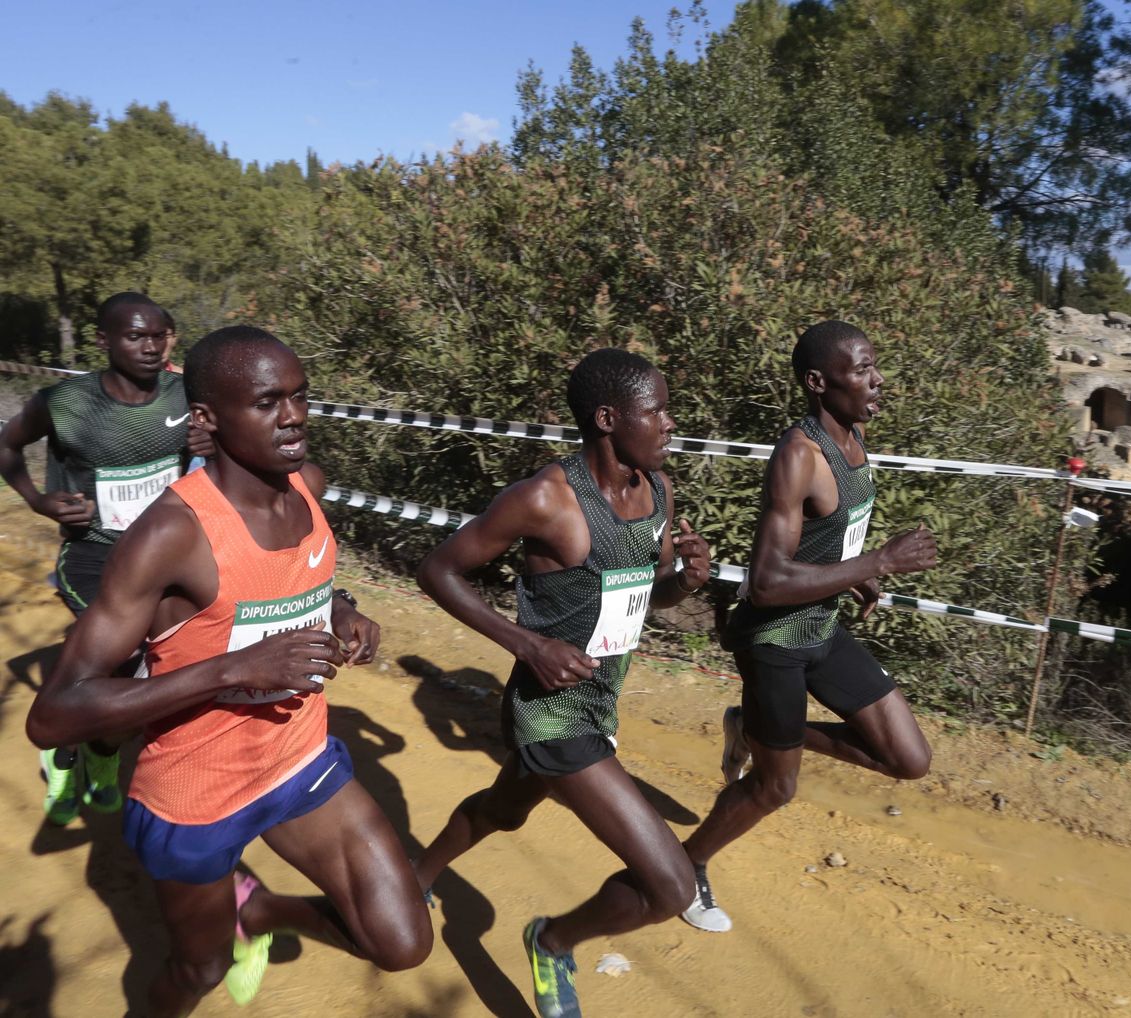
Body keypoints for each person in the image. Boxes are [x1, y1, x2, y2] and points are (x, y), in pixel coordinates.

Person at [25, 326, 432, 1016]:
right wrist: (230, 668)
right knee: (199, 971)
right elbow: (53, 714)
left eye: (301, 397)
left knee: (400, 942)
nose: (295, 416)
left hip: (298, 760)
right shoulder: (172, 535)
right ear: (207, 419)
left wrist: (340, 607)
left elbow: (289, 584)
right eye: (269, 402)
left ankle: (263, 911)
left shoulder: (307, 487)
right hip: (195, 794)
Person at [412, 347, 711, 1018]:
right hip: (550, 712)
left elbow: (643, 594)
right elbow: (438, 571)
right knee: (669, 886)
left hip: (601, 703)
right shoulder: (546, 499)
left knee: (503, 810)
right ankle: (552, 941)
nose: (669, 424)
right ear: (608, 419)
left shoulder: (656, 491)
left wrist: (682, 584)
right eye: (656, 410)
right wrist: (528, 643)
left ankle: (417, 875)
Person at [679, 320, 937, 933]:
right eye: (862, 370)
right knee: (775, 789)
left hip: (820, 625)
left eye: (876, 366)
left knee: (908, 758)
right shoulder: (800, 455)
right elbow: (766, 580)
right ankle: (687, 866)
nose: (877, 381)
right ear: (819, 383)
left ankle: (758, 729)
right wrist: (878, 561)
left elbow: (823, 540)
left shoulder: (853, 436)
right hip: (773, 640)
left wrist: (853, 573)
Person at [0, 291, 210, 824]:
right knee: (114, 652)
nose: (148, 346)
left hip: (164, 553)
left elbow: (225, 450)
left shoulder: (185, 394)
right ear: (103, 340)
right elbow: (7, 445)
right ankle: (64, 748)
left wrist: (210, 443)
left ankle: (103, 749)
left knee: (160, 658)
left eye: (158, 335)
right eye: (134, 336)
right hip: (93, 554)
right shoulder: (65, 402)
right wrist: (40, 501)